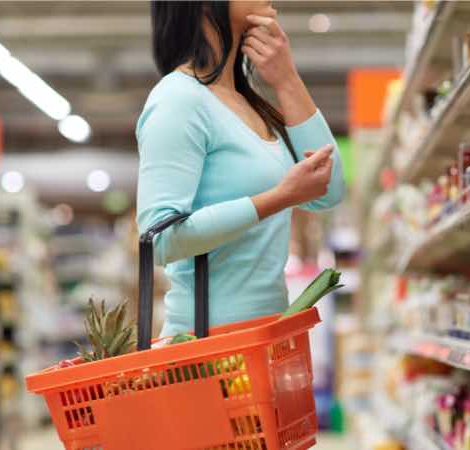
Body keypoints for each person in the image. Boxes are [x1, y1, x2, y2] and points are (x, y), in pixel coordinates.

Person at [137, 1, 345, 337]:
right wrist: (279, 198)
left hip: (268, 337)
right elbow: (159, 239)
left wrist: (287, 79)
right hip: (207, 349)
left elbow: (329, 191)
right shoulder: (178, 99)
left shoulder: (249, 104)